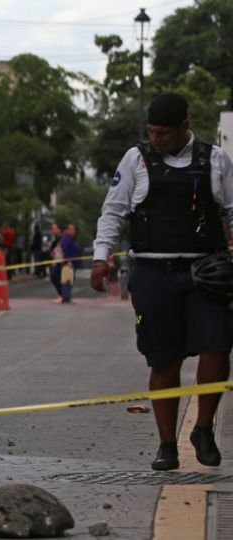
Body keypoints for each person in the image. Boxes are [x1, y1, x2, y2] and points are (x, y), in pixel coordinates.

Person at [90, 93, 233, 471]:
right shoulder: (135, 160)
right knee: (163, 359)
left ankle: (203, 429)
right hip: (153, 275)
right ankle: (166, 443)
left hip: (206, 274)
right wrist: (100, 258)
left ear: (185, 127)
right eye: (152, 132)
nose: (157, 139)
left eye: (164, 133)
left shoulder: (215, 160)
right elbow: (113, 211)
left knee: (217, 350)